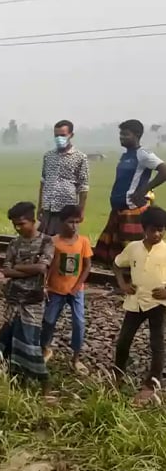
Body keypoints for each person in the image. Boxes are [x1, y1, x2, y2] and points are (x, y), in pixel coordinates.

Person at [0, 202, 54, 389]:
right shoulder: (14, 243)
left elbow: (42, 268)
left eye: (21, 223)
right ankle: (16, 378)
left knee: (30, 340)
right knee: (9, 337)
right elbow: (6, 271)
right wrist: (28, 270)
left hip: (32, 301)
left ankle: (44, 382)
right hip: (13, 300)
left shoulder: (46, 242)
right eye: (15, 225)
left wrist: (17, 268)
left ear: (33, 221)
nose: (18, 228)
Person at [112, 206, 166, 402]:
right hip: (135, 303)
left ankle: (151, 383)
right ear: (144, 228)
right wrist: (122, 283)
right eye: (153, 230)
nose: (157, 234)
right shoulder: (133, 248)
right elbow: (117, 264)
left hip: (158, 303)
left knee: (157, 344)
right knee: (124, 340)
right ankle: (117, 373)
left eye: (161, 229)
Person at [95, 119, 166, 265]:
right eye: (121, 134)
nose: (121, 137)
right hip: (118, 209)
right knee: (114, 254)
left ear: (137, 135)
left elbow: (164, 170)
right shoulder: (125, 155)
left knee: (134, 252)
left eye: (125, 134)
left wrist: (145, 189)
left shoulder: (143, 154)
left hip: (131, 210)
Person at [41, 205, 92, 374]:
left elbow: (86, 266)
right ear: (62, 222)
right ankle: (44, 349)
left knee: (79, 322)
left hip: (76, 291)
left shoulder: (83, 241)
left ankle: (76, 358)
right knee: (48, 321)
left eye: (77, 222)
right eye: (71, 222)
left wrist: (77, 287)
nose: (74, 226)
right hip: (56, 289)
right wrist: (45, 285)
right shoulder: (53, 242)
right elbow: (47, 266)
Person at [38, 120, 90, 235]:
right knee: (45, 242)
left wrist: (81, 210)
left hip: (67, 209)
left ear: (71, 135)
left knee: (65, 242)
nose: (59, 138)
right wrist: (40, 206)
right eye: (56, 135)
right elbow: (43, 182)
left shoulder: (80, 157)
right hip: (48, 207)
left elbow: (84, 187)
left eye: (62, 135)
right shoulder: (48, 156)